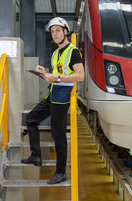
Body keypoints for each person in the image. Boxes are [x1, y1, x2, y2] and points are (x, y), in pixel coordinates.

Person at [21, 17, 84, 184]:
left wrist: (55, 78)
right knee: (31, 119)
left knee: (58, 135)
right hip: (52, 94)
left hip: (62, 98)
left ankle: (61, 172)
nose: (55, 34)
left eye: (58, 30)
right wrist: (45, 72)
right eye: (52, 31)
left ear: (65, 32)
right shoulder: (56, 52)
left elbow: (80, 75)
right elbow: (58, 73)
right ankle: (36, 156)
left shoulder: (73, 51)